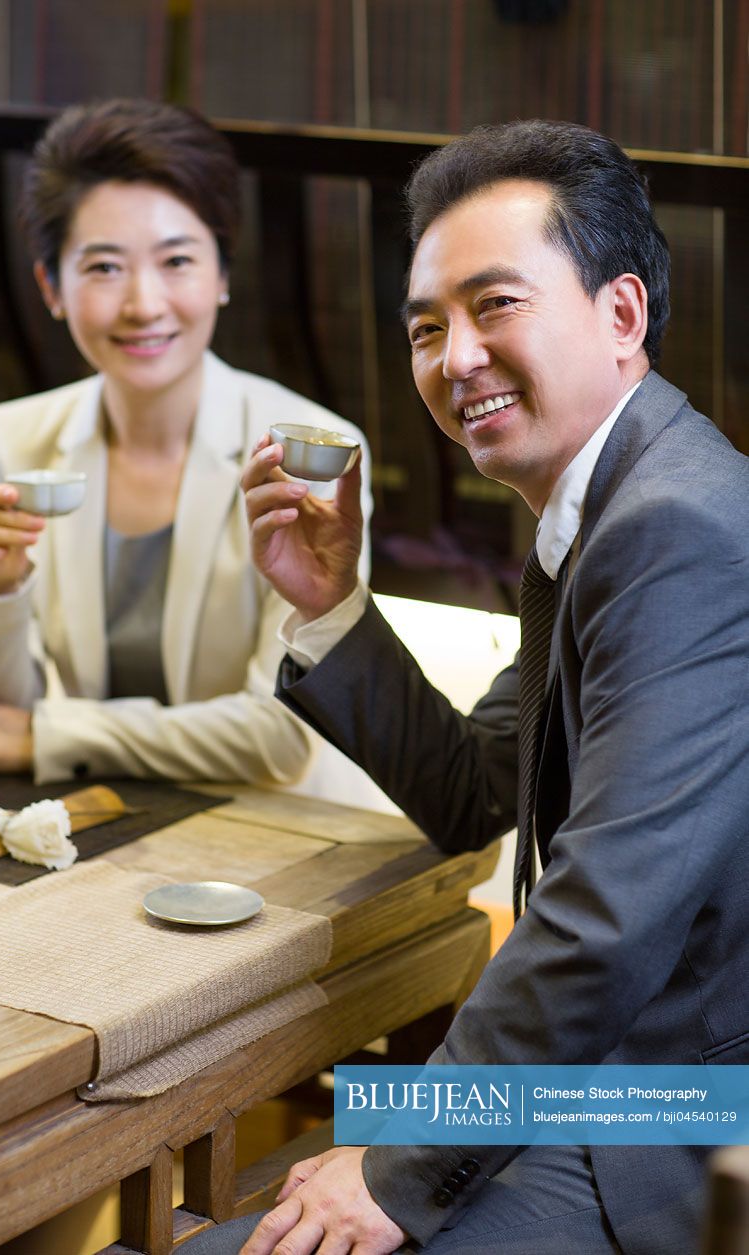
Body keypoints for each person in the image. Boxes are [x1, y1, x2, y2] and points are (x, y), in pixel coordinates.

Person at [186, 120, 749, 1253]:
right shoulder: (599, 515)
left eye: (496, 306)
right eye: (427, 326)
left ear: (622, 314)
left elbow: (604, 918)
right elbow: (479, 789)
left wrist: (401, 1164)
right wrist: (333, 603)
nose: (455, 358)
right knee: (268, 1180)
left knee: (252, 1222)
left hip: (674, 1111)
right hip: (591, 1074)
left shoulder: (674, 528)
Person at [0, 99, 371, 786]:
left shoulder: (307, 454)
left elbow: (280, 737)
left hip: (280, 836)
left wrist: (49, 732)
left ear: (221, 276)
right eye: (103, 267)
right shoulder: (20, 435)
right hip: (104, 826)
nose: (143, 304)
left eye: (177, 261)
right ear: (51, 287)